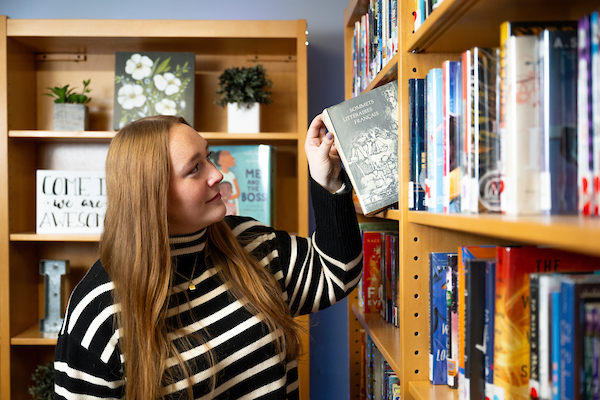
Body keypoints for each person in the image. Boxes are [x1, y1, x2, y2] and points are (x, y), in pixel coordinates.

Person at [54, 114, 363, 400]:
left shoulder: (250, 241)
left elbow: (336, 273)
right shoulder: (98, 310)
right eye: (195, 169)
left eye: (209, 157)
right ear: (154, 195)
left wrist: (329, 179)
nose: (217, 174)